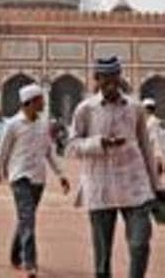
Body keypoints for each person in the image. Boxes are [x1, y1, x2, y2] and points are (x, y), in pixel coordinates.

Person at [67, 56, 164, 278]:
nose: (111, 84)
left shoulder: (135, 108)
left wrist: (156, 185)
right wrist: (98, 143)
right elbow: (71, 147)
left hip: (134, 185)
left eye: (114, 78)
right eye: (105, 79)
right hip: (100, 186)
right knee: (102, 261)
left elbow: (146, 149)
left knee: (140, 244)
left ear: (120, 78)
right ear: (96, 80)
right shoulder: (85, 110)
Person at [0, 83, 70, 278]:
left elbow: (49, 152)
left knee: (26, 219)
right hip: (19, 177)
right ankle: (29, 262)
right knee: (28, 218)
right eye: (40, 99)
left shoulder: (43, 124)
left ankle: (16, 253)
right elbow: (2, 153)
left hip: (38, 178)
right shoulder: (13, 125)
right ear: (30, 103)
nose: (43, 102)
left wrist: (62, 175)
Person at [142, 98, 165, 175]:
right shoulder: (150, 121)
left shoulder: (153, 122)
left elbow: (154, 139)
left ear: (147, 109)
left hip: (154, 150)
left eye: (143, 109)